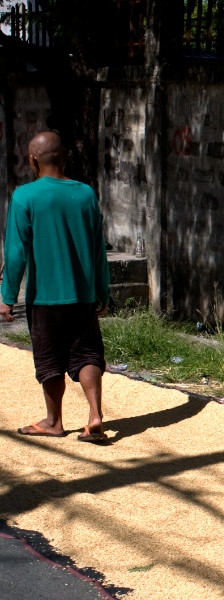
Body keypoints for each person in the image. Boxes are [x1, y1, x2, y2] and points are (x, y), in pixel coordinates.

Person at [0, 132, 111, 442]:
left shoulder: (24, 197)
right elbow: (97, 250)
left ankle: (54, 421)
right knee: (87, 354)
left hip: (44, 299)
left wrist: (7, 298)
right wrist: (103, 291)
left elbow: (15, 252)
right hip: (82, 296)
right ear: (64, 157)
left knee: (50, 360)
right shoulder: (86, 194)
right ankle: (94, 415)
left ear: (32, 160)